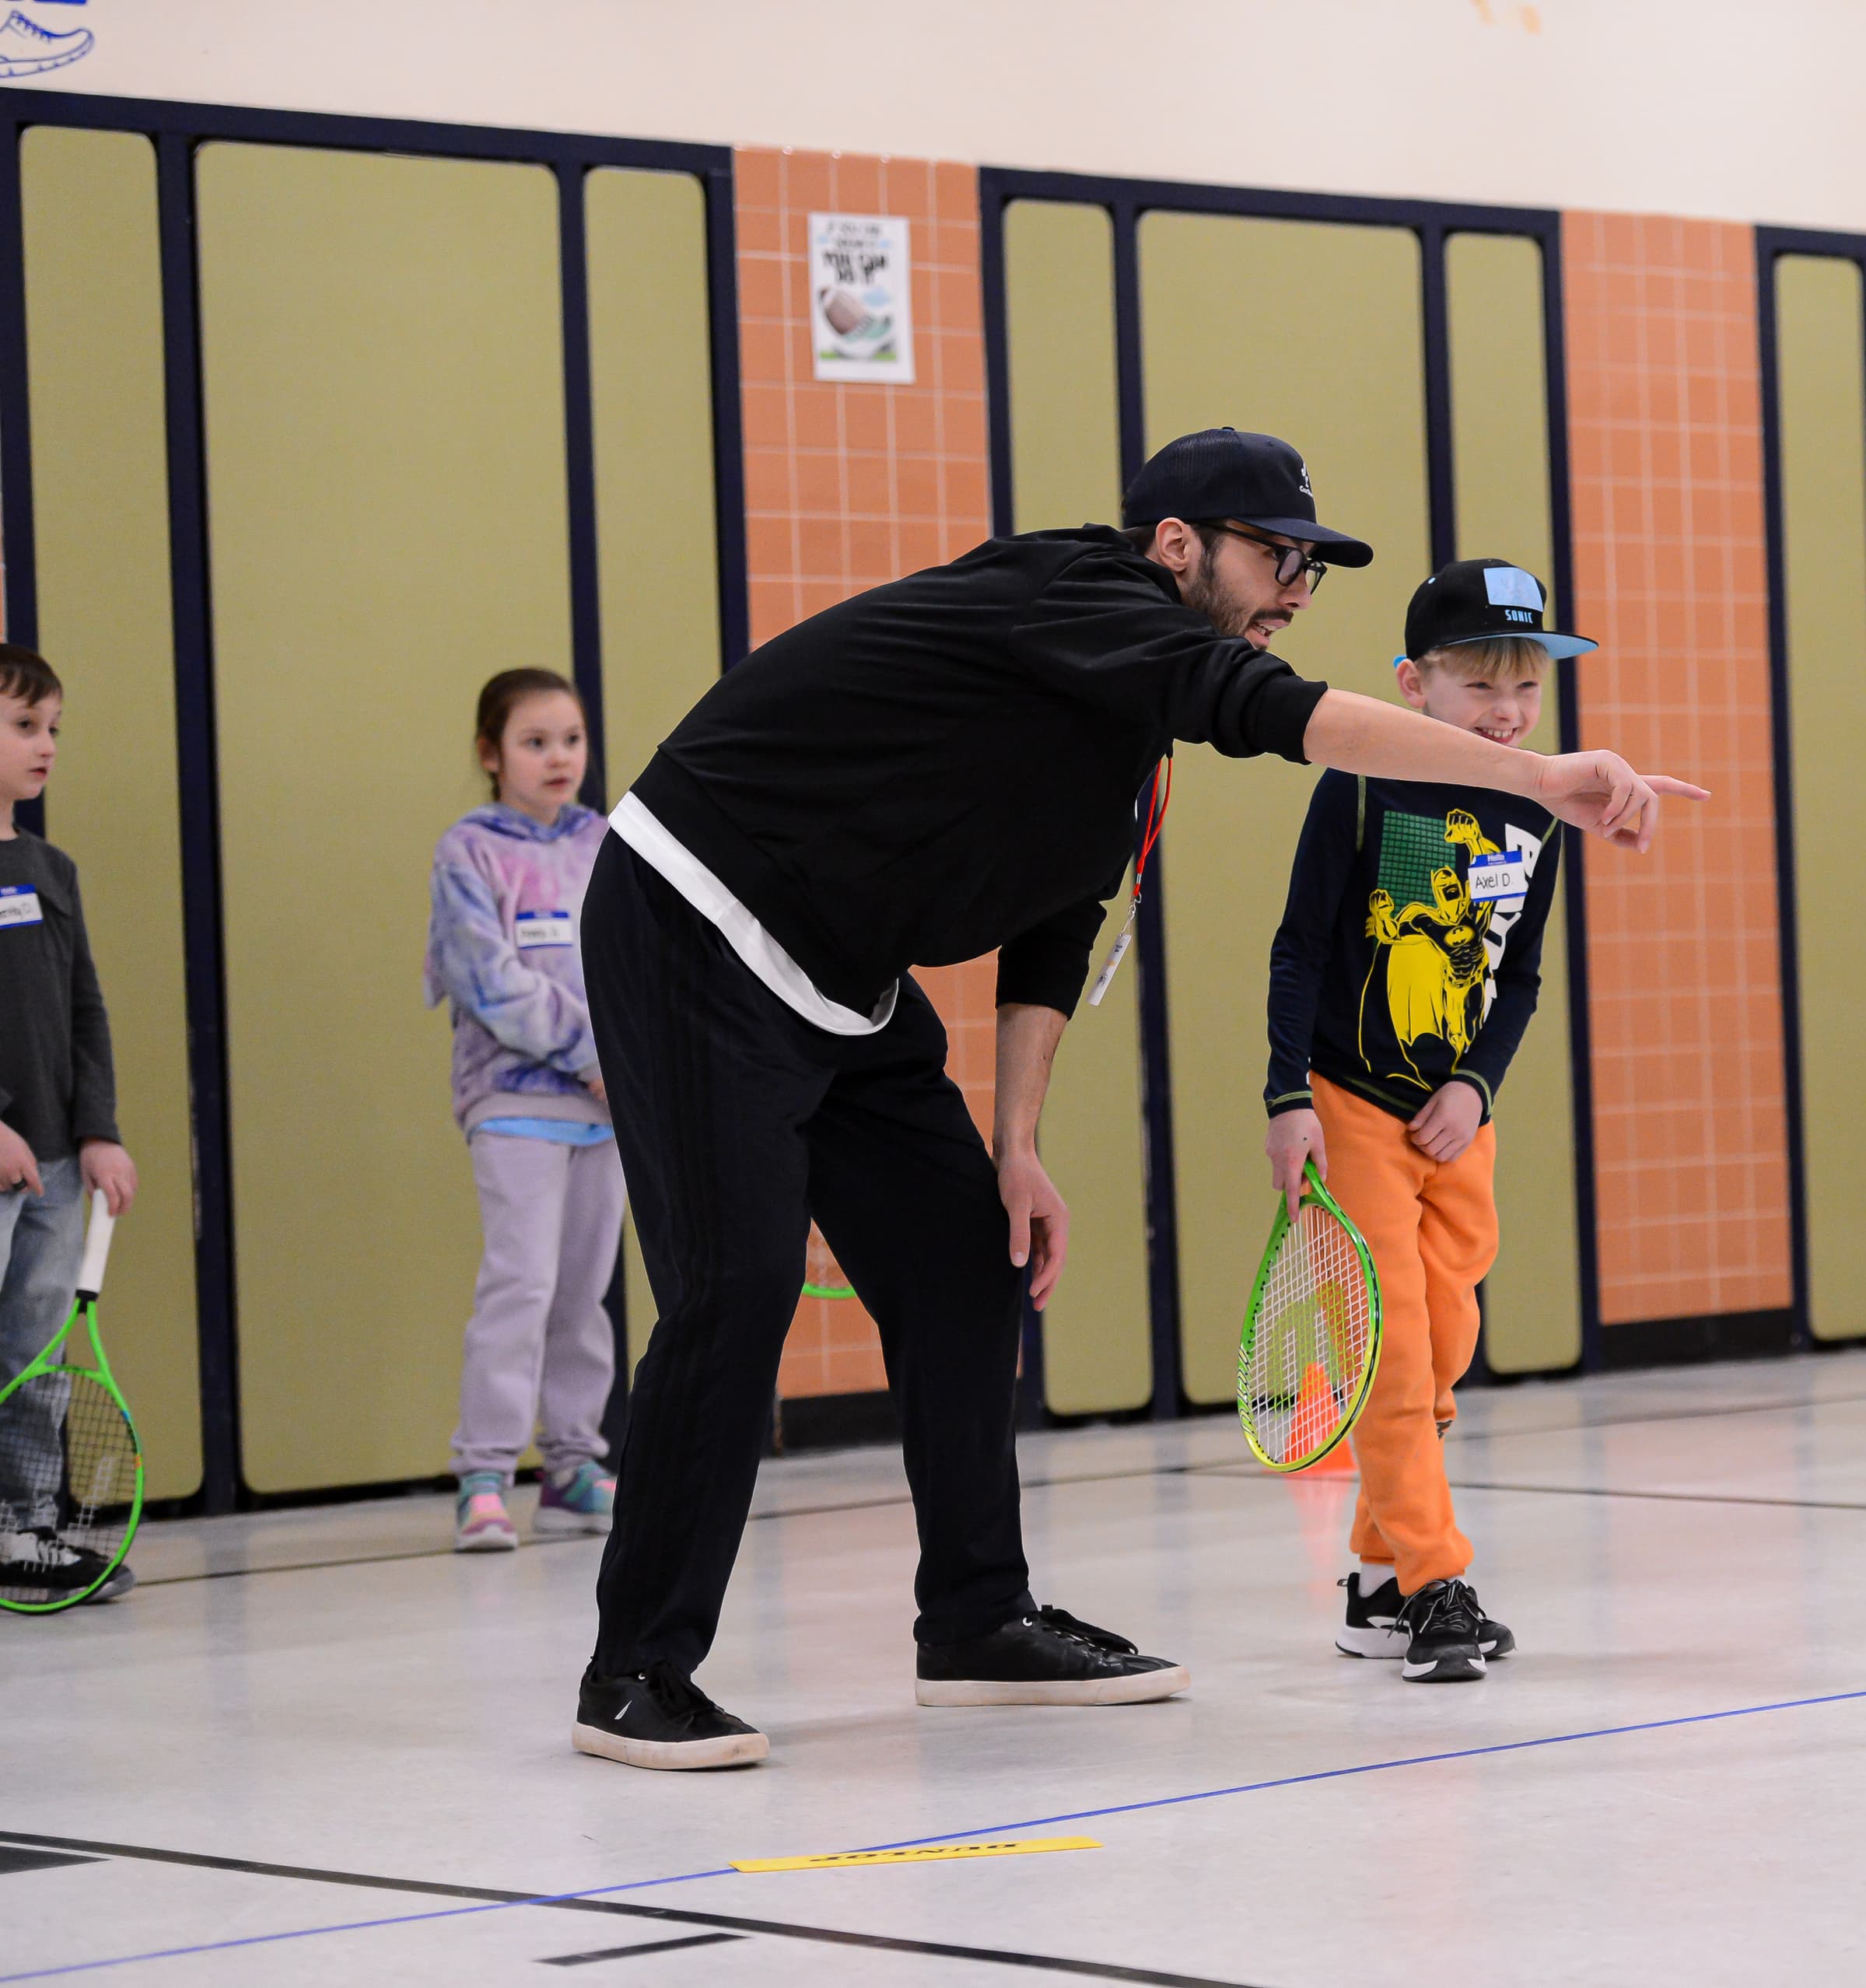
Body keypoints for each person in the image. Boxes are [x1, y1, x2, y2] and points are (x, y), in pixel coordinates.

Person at [572, 428, 1702, 1770]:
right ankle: (634, 1667)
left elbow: (1054, 925)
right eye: (1275, 558)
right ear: (1178, 547)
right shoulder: (1082, 599)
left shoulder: (1119, 729)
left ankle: (977, 1619)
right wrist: (1535, 777)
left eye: (1311, 568)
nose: (1293, 586)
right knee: (735, 1287)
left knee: (961, 1261)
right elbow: (1271, 710)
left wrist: (1017, 1144)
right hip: (691, 918)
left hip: (840, 977)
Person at [1263, 558, 1586, 1682]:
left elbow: (1523, 979)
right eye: (1479, 688)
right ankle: (1439, 1582)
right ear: (1413, 686)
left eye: (1527, 690)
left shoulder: (1541, 808)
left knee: (1445, 1345)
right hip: (1351, 1103)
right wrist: (1286, 1094)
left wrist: (1477, 1086)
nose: (1508, 713)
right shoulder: (1359, 787)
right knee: (1394, 1352)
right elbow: (1302, 948)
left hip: (1453, 1123)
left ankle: (1373, 1580)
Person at [425, 669, 621, 1553]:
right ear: (489, 754)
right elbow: (486, 978)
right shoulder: (468, 850)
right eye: (535, 742)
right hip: (514, 1103)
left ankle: (575, 1467)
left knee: (583, 1293)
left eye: (571, 740)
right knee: (522, 1284)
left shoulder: (606, 840)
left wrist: (631, 1063)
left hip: (609, 1111)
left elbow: (637, 956)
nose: (557, 758)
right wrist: (590, 1055)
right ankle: (485, 1475)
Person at [0, 642, 138, 1601]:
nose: (46, 745)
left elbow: (85, 1006)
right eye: (23, 727)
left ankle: (26, 1527)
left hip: (52, 1165)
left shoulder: (52, 868)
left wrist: (98, 1129)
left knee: (36, 1354)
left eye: (53, 728)